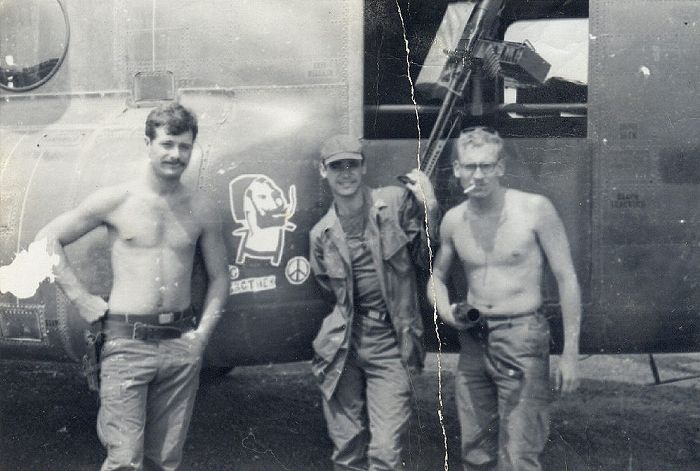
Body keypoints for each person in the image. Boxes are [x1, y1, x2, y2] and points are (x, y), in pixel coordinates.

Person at [34, 103, 228, 471]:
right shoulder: (116, 200)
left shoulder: (201, 208)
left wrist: (202, 335)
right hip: (126, 345)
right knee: (124, 460)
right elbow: (46, 240)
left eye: (184, 147)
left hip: (179, 347)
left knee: (165, 461)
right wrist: (80, 297)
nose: (175, 155)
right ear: (148, 143)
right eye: (167, 144)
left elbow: (220, 276)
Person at [427, 127, 581, 471]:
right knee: (475, 452)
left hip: (522, 337)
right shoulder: (454, 221)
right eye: (469, 167)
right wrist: (445, 310)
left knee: (520, 454)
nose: (477, 175)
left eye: (486, 166)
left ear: (500, 167)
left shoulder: (534, 209)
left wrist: (570, 354)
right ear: (456, 170)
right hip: (474, 341)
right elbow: (436, 276)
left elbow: (566, 278)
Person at [309, 134, 440, 471]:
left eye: (352, 164)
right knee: (346, 449)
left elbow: (425, 258)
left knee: (385, 452)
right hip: (343, 345)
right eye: (336, 166)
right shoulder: (321, 235)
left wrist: (430, 208)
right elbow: (328, 289)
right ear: (323, 171)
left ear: (364, 166)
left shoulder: (393, 204)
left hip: (391, 342)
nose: (345, 173)